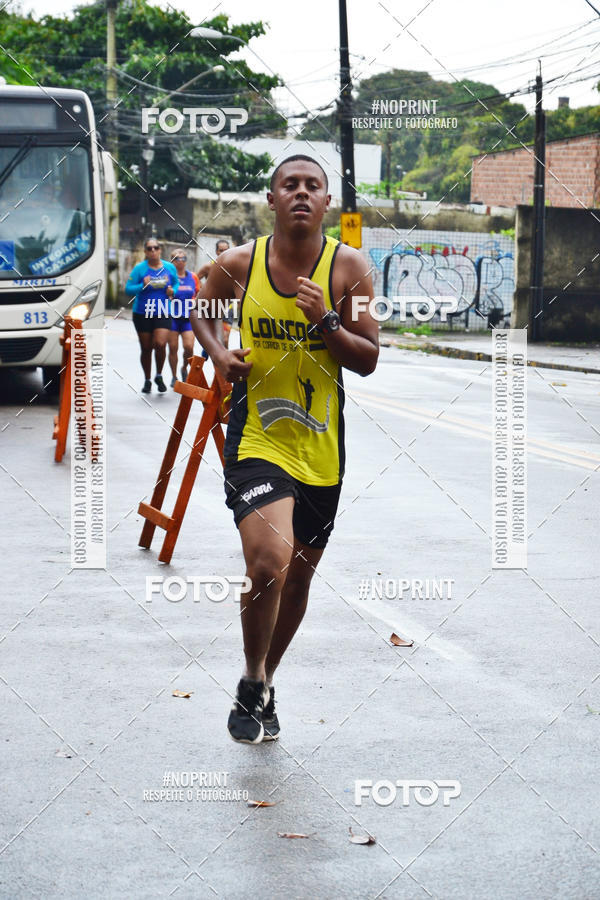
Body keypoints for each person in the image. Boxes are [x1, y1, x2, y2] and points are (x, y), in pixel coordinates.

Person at [190, 155, 378, 744]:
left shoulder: (351, 270)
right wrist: (219, 354)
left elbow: (369, 357)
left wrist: (326, 321)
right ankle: (251, 677)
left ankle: (265, 682)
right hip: (257, 438)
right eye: (289, 185)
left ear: (326, 202)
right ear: (271, 199)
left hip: (321, 449)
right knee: (269, 562)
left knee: (297, 580)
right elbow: (201, 310)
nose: (300, 193)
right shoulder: (240, 265)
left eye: (312, 186)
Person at [125, 239, 178, 393]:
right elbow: (128, 289)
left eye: (156, 247)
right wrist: (142, 285)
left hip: (163, 310)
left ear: (160, 250)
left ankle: (159, 375)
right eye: (149, 248)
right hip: (142, 312)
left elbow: (176, 284)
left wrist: (173, 291)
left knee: (160, 343)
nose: (153, 250)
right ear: (145, 252)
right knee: (146, 348)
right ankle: (147, 380)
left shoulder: (169, 267)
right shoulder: (139, 269)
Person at [168, 249, 199, 385]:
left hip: (188, 318)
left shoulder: (193, 277)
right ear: (172, 261)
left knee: (189, 347)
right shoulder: (168, 277)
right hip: (172, 318)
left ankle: (184, 368)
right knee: (173, 347)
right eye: (177, 258)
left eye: (183, 258)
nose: (180, 261)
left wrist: (196, 301)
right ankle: (174, 376)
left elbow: (199, 292)